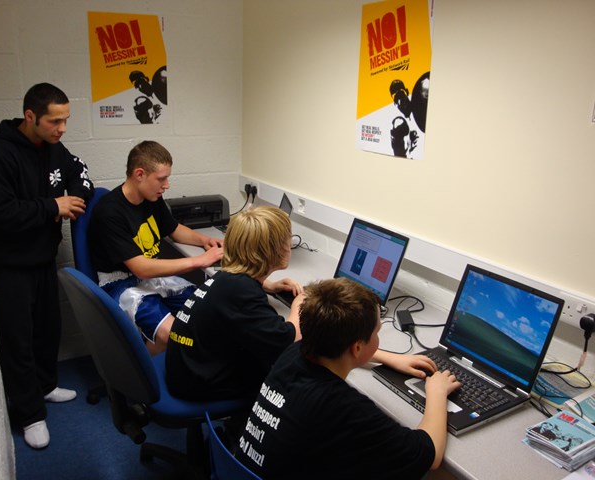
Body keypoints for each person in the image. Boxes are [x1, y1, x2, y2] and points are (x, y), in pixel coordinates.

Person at [236, 277, 461, 479]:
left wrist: (390, 358)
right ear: (356, 347)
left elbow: (331, 344)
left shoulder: (293, 353)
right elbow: (429, 456)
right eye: (377, 333)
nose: (378, 338)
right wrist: (437, 393)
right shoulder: (344, 406)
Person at [0, 83, 94, 449]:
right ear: (30, 117)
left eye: (66, 120)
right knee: (18, 340)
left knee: (47, 330)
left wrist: (70, 198)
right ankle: (29, 414)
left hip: (43, 258)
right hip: (10, 266)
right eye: (54, 121)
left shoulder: (55, 148)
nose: (62, 129)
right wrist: (52, 207)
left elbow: (80, 177)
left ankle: (46, 386)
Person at [88, 140, 223, 355]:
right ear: (139, 174)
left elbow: (174, 229)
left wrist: (203, 240)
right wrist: (199, 261)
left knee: (204, 310)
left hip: (150, 276)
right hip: (120, 282)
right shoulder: (109, 212)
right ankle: (144, 376)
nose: (166, 185)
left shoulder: (151, 197)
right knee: (168, 334)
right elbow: (140, 268)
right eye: (161, 178)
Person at [165, 206, 303, 403]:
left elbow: (239, 294)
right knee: (289, 374)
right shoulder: (242, 292)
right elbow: (285, 340)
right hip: (198, 384)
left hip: (186, 368)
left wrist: (269, 286)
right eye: (288, 239)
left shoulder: (230, 277)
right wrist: (300, 306)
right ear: (276, 249)